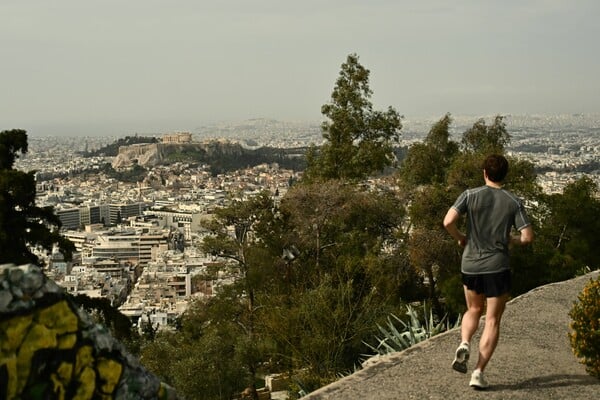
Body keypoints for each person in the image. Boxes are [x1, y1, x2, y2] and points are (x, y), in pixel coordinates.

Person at [443, 154, 534, 390]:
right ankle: (478, 372)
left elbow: (448, 221)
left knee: (473, 309)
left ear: (485, 172)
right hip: (497, 266)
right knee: (492, 319)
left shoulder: (470, 195)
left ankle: (464, 342)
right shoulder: (513, 202)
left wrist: (461, 238)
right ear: (505, 174)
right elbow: (528, 237)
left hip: (471, 264)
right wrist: (511, 241)